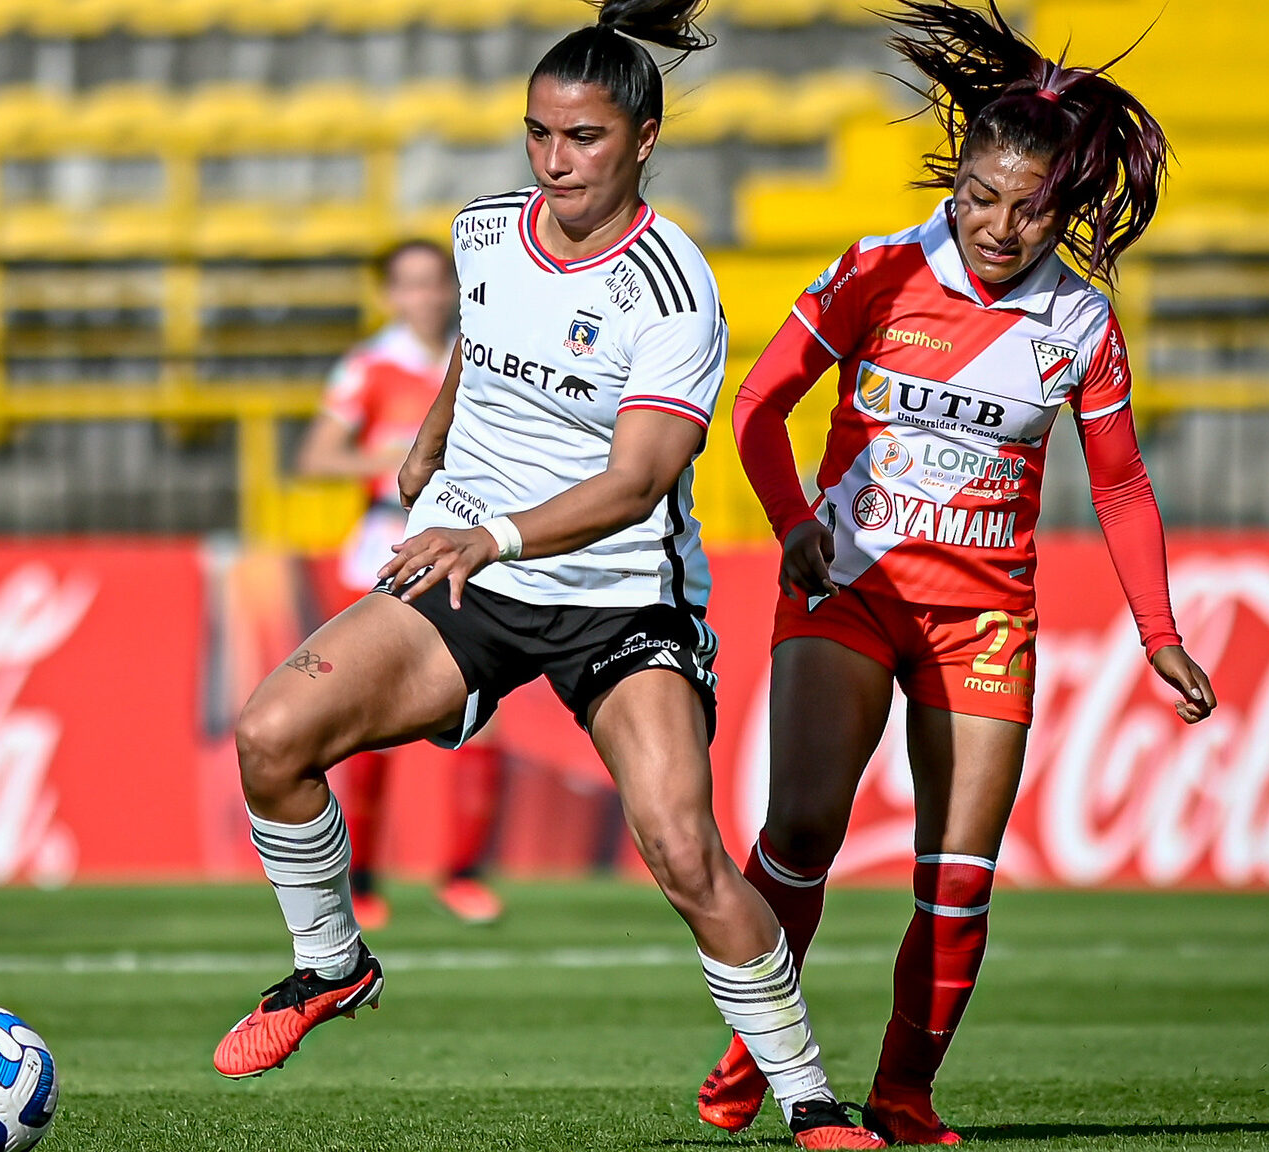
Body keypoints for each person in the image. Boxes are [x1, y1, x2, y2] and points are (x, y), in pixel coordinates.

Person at [213, 1, 885, 1144]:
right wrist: (431, 440)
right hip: (472, 573)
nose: (553, 160)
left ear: (642, 139)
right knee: (270, 736)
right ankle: (330, 967)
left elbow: (638, 481)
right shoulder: (481, 231)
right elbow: (481, 338)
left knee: (679, 845)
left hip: (618, 599)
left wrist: (493, 536)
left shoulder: (672, 291)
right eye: (537, 134)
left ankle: (809, 1098)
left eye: (580, 138)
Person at [697, 1, 1218, 1143]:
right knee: (801, 831)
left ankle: (902, 1095)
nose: (996, 224)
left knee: (960, 875)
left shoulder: (1079, 324)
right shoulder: (877, 273)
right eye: (978, 197)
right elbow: (757, 404)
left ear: (1062, 209)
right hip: (846, 589)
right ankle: (757, 1051)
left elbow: (1121, 487)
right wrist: (791, 522)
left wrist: (1157, 629)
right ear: (955, 182)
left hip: (982, 621)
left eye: (1026, 208)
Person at [296, 240, 506, 929]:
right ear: (390, 296)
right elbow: (315, 457)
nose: (424, 297)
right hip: (380, 554)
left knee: (476, 717)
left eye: (434, 282)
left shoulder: (481, 355)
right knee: (366, 723)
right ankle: (360, 880)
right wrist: (388, 456)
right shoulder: (368, 367)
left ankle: (463, 873)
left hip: (459, 551)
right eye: (409, 285)